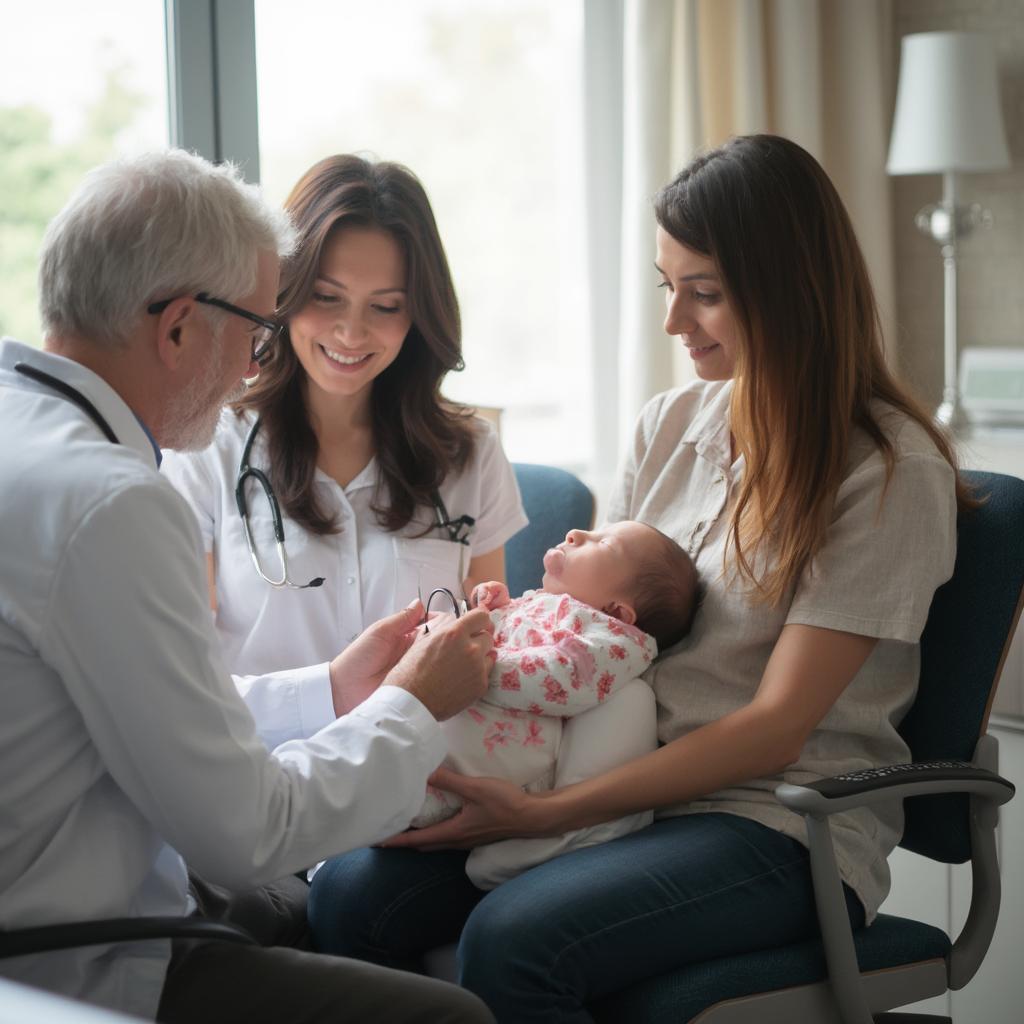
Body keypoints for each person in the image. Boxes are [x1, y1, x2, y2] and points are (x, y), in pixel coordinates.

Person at [301, 134, 967, 1022]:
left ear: (792, 292)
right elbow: (606, 632)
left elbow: (773, 731)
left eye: (706, 294)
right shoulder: (670, 425)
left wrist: (548, 814)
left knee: (516, 941)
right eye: (669, 288)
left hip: (774, 823)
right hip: (622, 798)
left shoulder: (885, 472)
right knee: (348, 893)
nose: (674, 324)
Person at [0, 149, 497, 1024]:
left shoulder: (27, 433)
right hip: (69, 954)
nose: (251, 365)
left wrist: (332, 689)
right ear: (182, 326)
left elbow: (157, 707)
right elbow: (247, 833)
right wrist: (410, 706)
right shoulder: (116, 502)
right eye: (259, 328)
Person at [161, 154, 526, 677]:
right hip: (274, 755)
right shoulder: (207, 446)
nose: (351, 334)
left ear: (418, 313)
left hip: (431, 753)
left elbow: (491, 641)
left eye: (385, 307)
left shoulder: (471, 452)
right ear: (282, 292)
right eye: (326, 297)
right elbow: (181, 670)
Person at [404, 521, 698, 890]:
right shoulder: (543, 603)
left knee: (634, 699)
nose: (575, 533)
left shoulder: (614, 639)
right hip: (441, 729)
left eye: (603, 544)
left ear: (620, 613)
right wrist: (499, 610)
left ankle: (569, 839)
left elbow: (559, 677)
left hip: (498, 756)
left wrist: (473, 667)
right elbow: (516, 638)